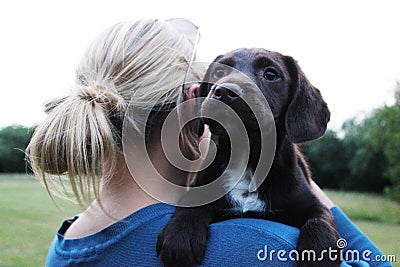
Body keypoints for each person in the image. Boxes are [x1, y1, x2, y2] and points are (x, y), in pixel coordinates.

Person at [27, 18, 391, 267]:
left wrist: (309, 200)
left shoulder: (66, 246)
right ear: (194, 102)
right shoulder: (260, 248)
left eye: (268, 74)